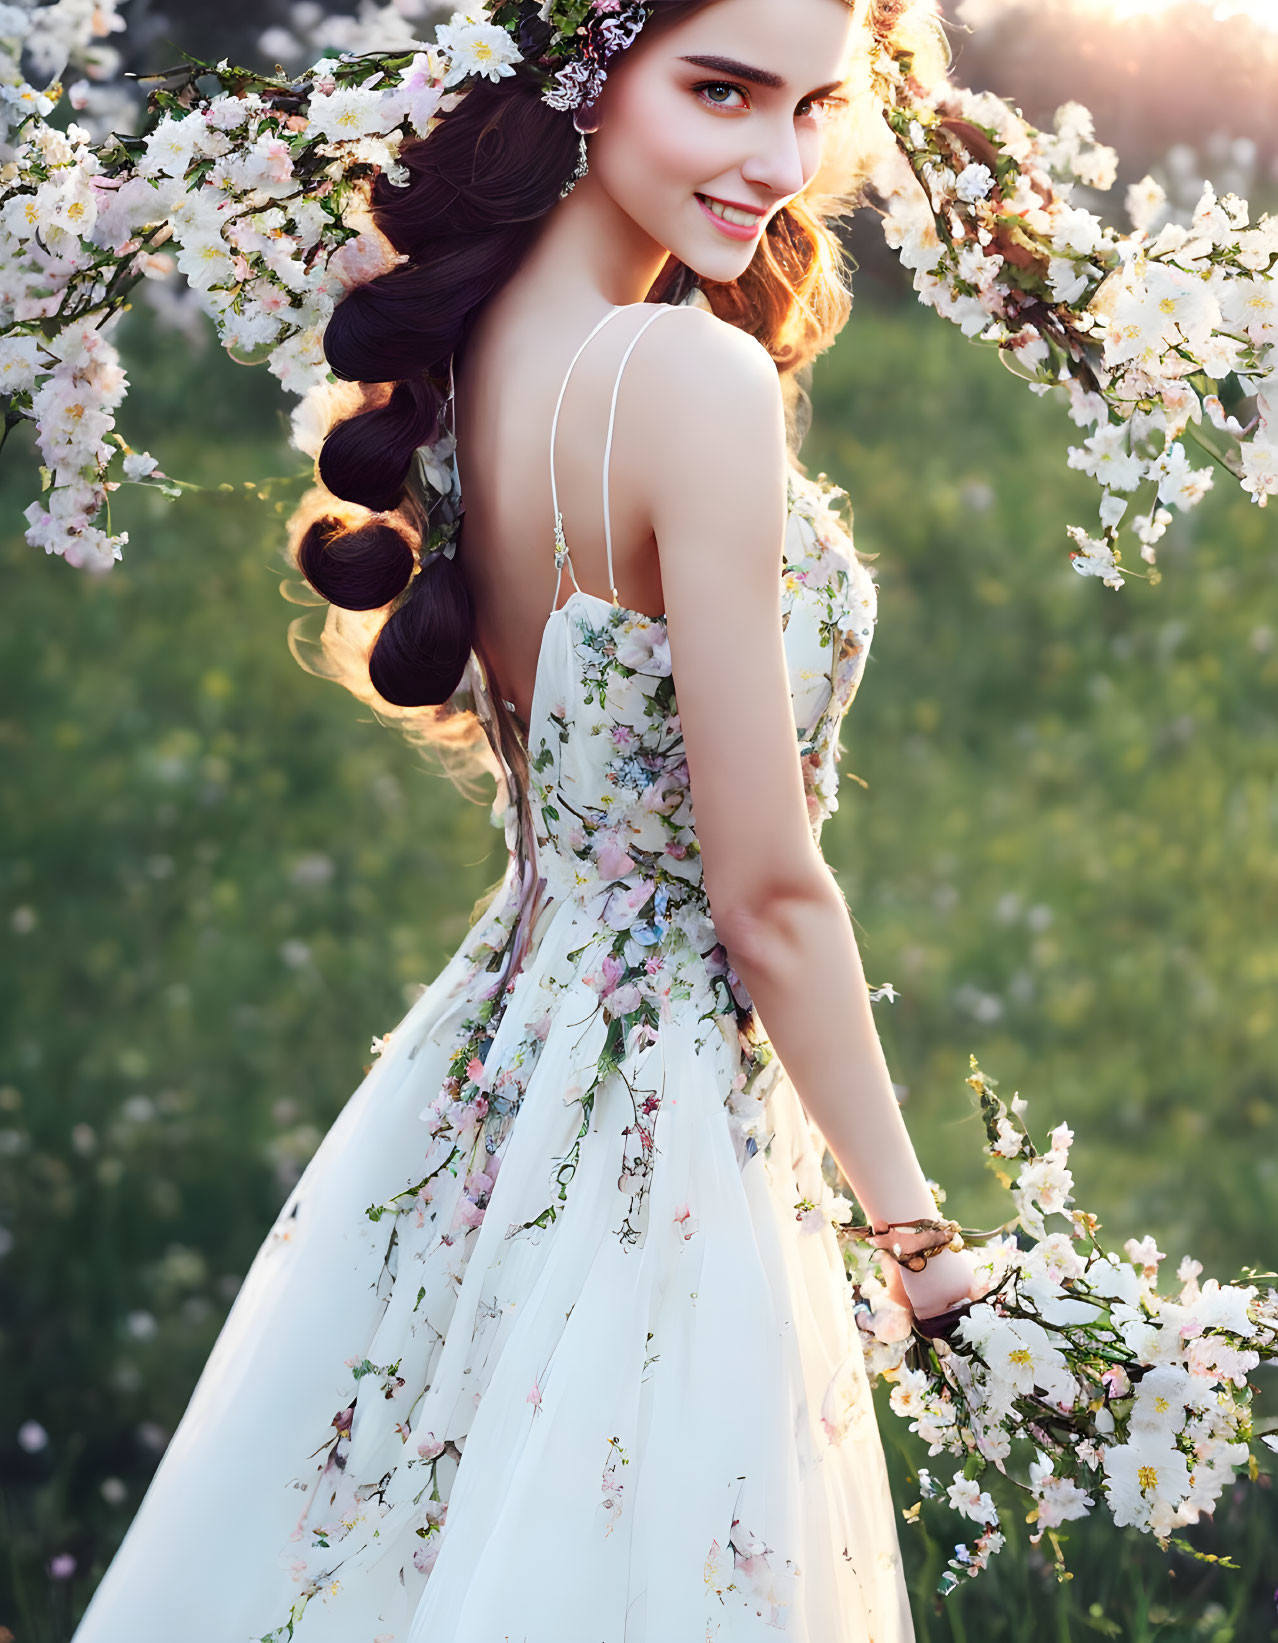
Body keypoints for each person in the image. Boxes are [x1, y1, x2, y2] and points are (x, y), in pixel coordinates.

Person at [70, 1, 986, 1638]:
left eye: (809, 109)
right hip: (661, 1091)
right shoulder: (682, 377)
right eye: (720, 92)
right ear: (581, 82)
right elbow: (764, 893)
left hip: (501, 1056)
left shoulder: (477, 351)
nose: (773, 163)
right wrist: (918, 1241)